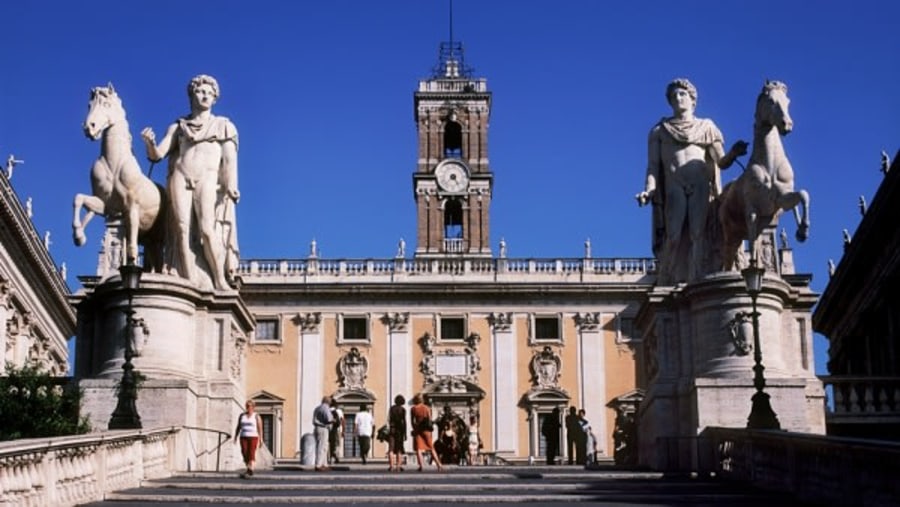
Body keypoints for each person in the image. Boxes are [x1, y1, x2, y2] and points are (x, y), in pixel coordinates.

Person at [636, 78, 747, 285]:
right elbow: (653, 167)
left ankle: (696, 279)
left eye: (682, 94)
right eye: (674, 96)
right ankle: (666, 279)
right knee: (674, 235)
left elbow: (721, 162)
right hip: (673, 186)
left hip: (701, 184)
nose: (678, 98)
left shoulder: (707, 127)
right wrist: (649, 190)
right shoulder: (659, 131)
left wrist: (733, 152)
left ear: (692, 100)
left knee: (699, 234)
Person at [141, 74, 240, 291]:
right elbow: (158, 154)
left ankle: (219, 279)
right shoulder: (178, 127)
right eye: (200, 91)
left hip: (207, 177)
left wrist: (231, 184)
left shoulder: (224, 125)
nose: (205, 96)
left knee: (206, 228)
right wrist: (150, 143)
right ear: (192, 95)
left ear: (215, 99)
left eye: (209, 93)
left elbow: (230, 160)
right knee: (180, 229)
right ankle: (187, 280)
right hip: (180, 175)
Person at [410, 394, 442, 471]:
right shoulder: (427, 408)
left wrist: (415, 428)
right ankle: (439, 464)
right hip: (426, 430)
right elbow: (429, 420)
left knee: (418, 449)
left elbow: (412, 421)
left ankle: (421, 466)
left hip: (418, 429)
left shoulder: (413, 409)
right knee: (431, 447)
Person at [233, 400, 263, 478]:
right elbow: (238, 427)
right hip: (243, 436)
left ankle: (251, 469)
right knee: (244, 452)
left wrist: (261, 439)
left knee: (251, 452)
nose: (247, 407)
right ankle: (249, 467)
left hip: (253, 436)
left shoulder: (256, 416)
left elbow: (260, 428)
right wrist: (235, 436)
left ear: (253, 407)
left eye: (249, 406)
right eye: (247, 406)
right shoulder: (242, 416)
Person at [312, 396, 334, 471]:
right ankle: (318, 465)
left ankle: (324, 464)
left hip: (317, 428)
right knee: (322, 447)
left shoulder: (317, 408)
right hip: (323, 428)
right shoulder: (326, 408)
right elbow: (328, 419)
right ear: (328, 401)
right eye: (330, 401)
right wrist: (334, 420)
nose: (331, 402)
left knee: (323, 446)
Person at [387, 394, 407, 472]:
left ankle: (391, 466)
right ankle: (399, 466)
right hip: (400, 431)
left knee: (391, 449)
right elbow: (404, 422)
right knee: (399, 449)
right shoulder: (403, 410)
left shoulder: (391, 409)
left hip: (392, 430)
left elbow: (389, 419)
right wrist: (405, 433)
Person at [329, 400, 344, 464]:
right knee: (337, 444)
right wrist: (343, 430)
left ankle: (329, 458)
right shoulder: (338, 411)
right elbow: (342, 421)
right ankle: (336, 457)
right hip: (337, 430)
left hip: (328, 429)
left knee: (329, 443)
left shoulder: (327, 410)